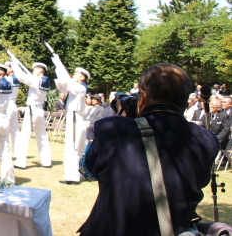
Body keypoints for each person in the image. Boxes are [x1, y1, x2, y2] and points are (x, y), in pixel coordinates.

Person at [78, 63, 220, 236]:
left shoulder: (113, 129)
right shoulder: (207, 140)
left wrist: (123, 119)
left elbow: (87, 170)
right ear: (185, 102)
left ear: (142, 97)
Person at [52, 54, 89, 184]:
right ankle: (77, 173)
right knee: (75, 147)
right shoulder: (76, 86)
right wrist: (57, 66)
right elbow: (63, 85)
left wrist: (60, 65)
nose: (74, 75)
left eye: (76, 74)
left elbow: (68, 83)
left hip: (74, 117)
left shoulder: (80, 87)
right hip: (73, 116)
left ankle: (72, 177)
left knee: (72, 147)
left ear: (82, 78)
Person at [12, 60, 52, 169]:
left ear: (40, 70)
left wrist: (15, 64)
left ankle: (20, 162)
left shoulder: (37, 80)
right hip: (39, 109)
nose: (33, 71)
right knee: (42, 136)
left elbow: (21, 76)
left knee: (25, 135)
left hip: (32, 110)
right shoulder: (45, 80)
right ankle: (46, 161)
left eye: (35, 69)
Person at [5, 61, 21, 158]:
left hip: (8, 104)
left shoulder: (9, 79)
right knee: (15, 131)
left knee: (5, 130)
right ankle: (17, 153)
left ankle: (3, 152)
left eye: (7, 67)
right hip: (13, 104)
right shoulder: (16, 78)